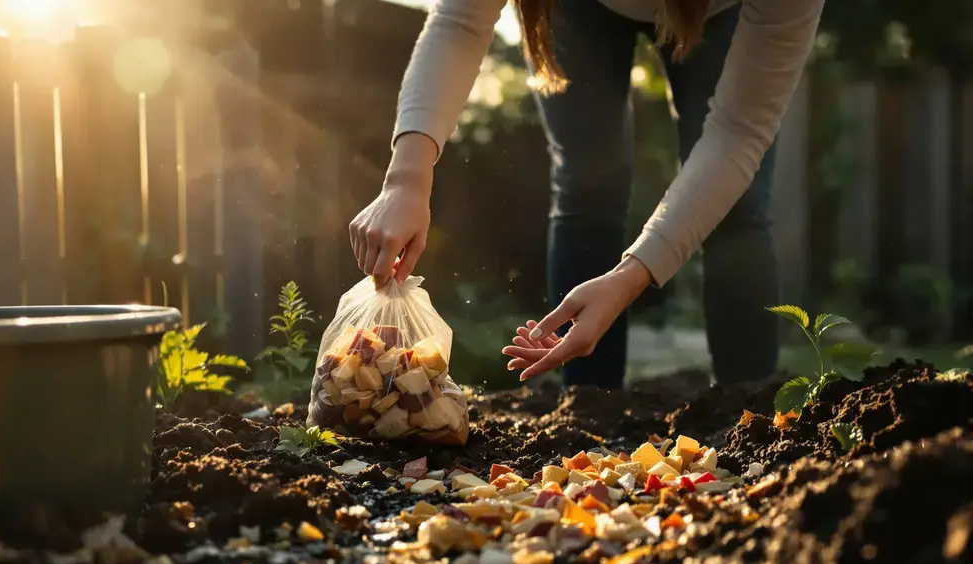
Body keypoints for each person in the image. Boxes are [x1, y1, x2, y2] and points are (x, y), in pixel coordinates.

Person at [347, 0, 824, 389]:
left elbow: (737, 134)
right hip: (576, 10)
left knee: (736, 209)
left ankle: (751, 408)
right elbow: (458, 22)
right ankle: (590, 409)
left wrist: (628, 278)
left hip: (722, 13)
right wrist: (406, 179)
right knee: (589, 189)